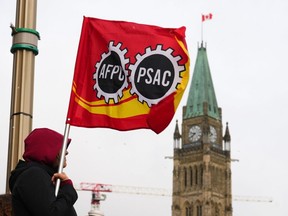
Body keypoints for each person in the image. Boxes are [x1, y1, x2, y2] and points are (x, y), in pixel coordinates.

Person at [9, 128, 78, 216]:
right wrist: (68, 189)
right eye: (61, 147)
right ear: (47, 149)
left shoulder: (42, 176)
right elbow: (51, 213)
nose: (66, 152)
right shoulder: (33, 175)